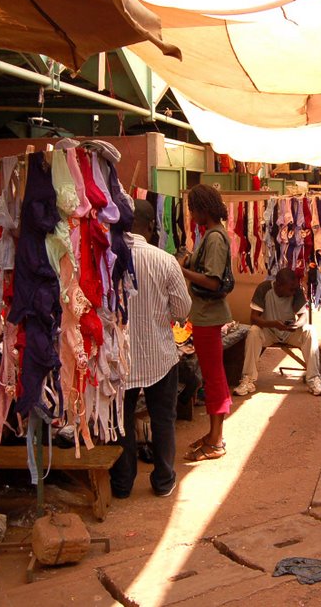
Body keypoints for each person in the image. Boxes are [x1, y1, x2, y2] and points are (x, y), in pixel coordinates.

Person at [111, 200, 191, 498]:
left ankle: (122, 483)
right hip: (160, 355)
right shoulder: (164, 260)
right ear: (151, 226)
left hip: (119, 359)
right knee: (163, 419)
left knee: (121, 422)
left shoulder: (106, 258)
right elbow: (183, 309)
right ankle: (163, 480)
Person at [179, 184, 234, 462]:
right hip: (205, 316)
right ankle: (213, 437)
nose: (191, 214)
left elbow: (212, 281)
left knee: (213, 378)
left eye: (192, 209)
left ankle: (216, 440)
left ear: (202, 209)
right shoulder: (211, 235)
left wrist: (183, 270)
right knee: (214, 377)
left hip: (208, 317)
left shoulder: (214, 237)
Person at [235, 268, 321, 397]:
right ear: (279, 285)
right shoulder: (264, 288)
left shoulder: (296, 290)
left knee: (310, 331)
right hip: (269, 331)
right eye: (290, 289)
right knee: (253, 332)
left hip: (289, 333)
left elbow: (303, 317)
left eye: (294, 289)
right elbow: (254, 318)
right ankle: (248, 380)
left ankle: (314, 380)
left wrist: (296, 325)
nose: (293, 292)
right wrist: (274, 324)